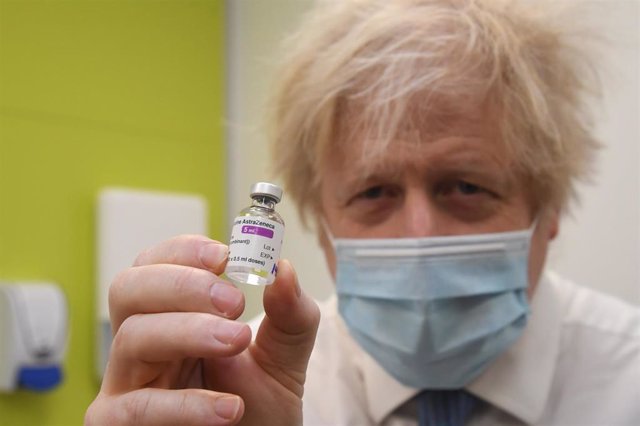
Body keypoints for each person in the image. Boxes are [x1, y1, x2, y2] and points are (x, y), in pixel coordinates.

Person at [85, 0, 640, 425]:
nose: (417, 236)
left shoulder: (627, 381)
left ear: (551, 208)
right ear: (321, 225)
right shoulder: (233, 380)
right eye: (374, 193)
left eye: (465, 186)